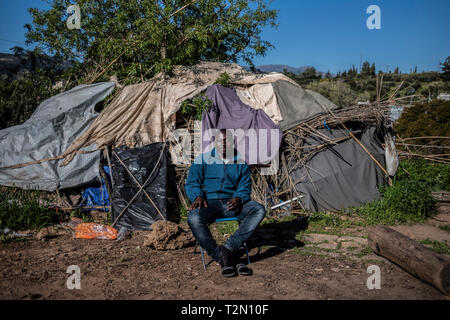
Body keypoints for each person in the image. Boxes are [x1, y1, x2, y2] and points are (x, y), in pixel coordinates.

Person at [185, 129, 266, 277]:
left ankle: (228, 248)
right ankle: (225, 258)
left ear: (232, 142)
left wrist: (240, 198)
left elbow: (245, 186)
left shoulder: (241, 163)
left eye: (226, 140)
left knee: (258, 209)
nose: (223, 143)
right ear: (214, 142)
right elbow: (191, 183)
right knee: (193, 218)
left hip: (231, 204)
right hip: (208, 203)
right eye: (219, 140)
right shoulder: (202, 160)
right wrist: (197, 196)